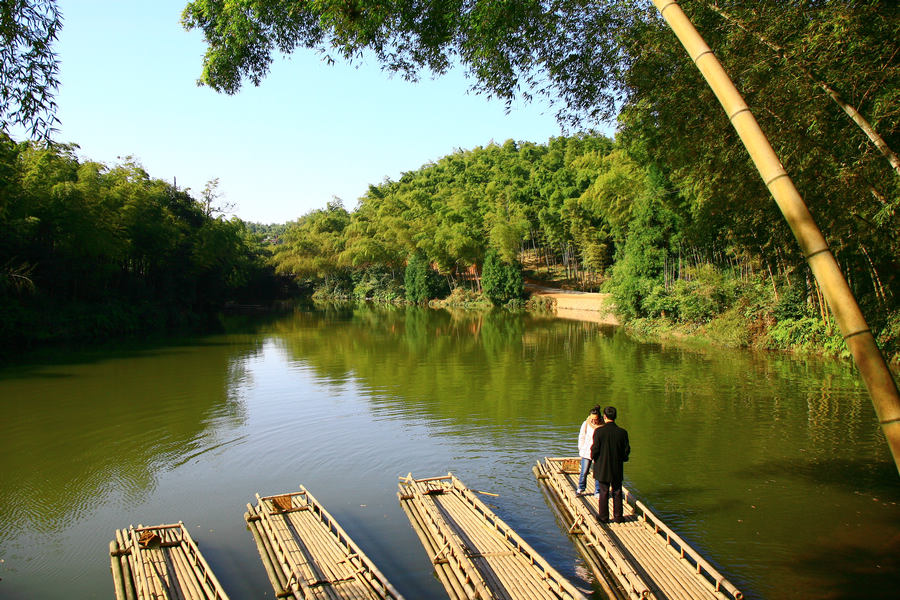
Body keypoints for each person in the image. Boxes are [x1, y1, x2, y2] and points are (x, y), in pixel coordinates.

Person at [591, 406, 630, 523]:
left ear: (605, 416)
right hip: (617, 467)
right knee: (617, 491)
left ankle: (603, 517)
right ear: (615, 416)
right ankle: (618, 517)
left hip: (602, 467)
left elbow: (595, 449)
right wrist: (623, 458)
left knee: (603, 491)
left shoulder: (599, 431)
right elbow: (626, 450)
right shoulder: (622, 432)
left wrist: (595, 459)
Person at [576, 406, 603, 496]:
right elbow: (582, 436)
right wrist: (581, 448)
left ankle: (598, 491)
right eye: (592, 418)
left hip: (598, 452)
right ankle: (581, 487)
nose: (593, 421)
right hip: (587, 451)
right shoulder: (586, 423)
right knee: (584, 471)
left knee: (598, 472)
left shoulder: (603, 425)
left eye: (595, 419)